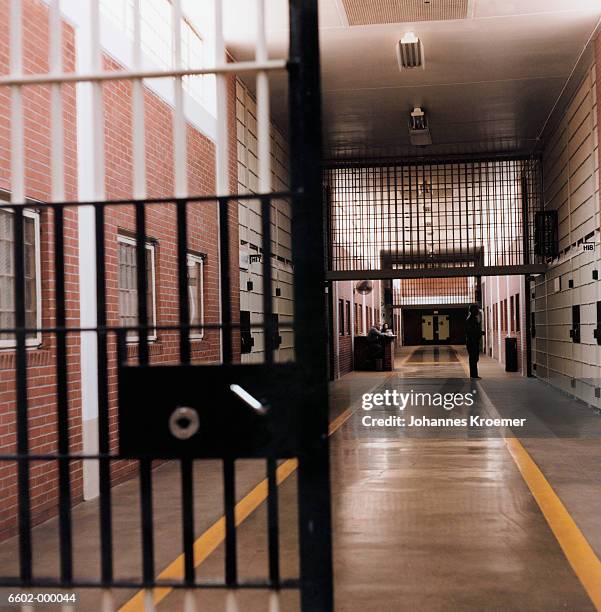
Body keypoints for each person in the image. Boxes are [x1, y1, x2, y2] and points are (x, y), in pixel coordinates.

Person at [465, 304, 482, 379]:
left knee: (474, 358)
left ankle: (474, 374)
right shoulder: (470, 319)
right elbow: (470, 331)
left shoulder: (473, 318)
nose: (478, 311)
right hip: (472, 342)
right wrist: (479, 333)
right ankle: (473, 375)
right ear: (473, 310)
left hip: (474, 341)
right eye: (477, 309)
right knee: (473, 359)